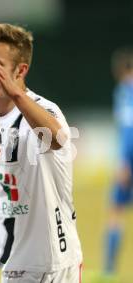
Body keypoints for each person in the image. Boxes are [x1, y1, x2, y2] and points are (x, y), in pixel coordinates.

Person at [0, 23, 83, 282]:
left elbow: (58, 138)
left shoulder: (43, 109)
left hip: (56, 265)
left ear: (21, 70)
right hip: (13, 267)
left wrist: (16, 93)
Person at [102, 47, 133, 280]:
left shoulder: (125, 91)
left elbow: (128, 129)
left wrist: (124, 160)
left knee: (115, 212)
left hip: (129, 160)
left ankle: (110, 271)